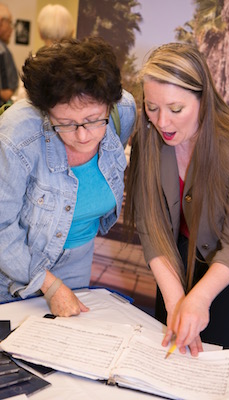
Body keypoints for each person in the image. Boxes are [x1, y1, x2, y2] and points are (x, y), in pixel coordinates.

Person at [124, 42, 229, 383]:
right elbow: (150, 224)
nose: (162, 121)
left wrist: (199, 298)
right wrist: (176, 300)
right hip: (178, 259)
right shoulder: (149, 137)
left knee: (220, 370)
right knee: (173, 365)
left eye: (176, 108)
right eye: (152, 107)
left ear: (203, 99)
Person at [0, 37, 136, 318]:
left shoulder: (123, 112)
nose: (84, 136)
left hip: (78, 259)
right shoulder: (18, 134)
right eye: (67, 124)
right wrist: (48, 286)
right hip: (10, 268)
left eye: (94, 119)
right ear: (46, 112)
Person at [0, 3, 18, 106]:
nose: (11, 29)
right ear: (1, 22)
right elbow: (7, 93)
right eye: (10, 23)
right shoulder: (2, 51)